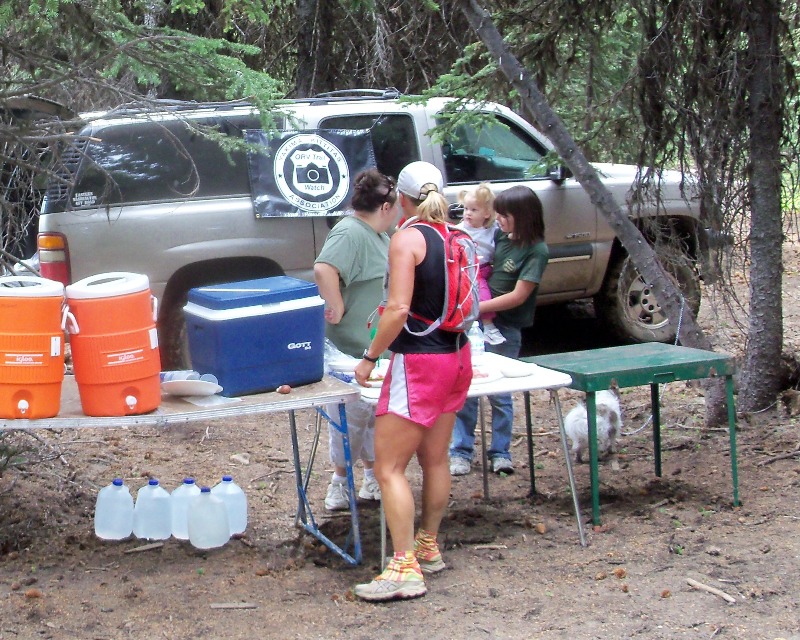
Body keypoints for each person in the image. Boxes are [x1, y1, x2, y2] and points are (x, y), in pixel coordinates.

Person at [352, 161, 473, 602]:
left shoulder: (407, 238)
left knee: (388, 467)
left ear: (401, 199)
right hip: (458, 355)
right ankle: (428, 545)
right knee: (435, 459)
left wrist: (369, 357)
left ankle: (404, 567)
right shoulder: (457, 235)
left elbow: (398, 309)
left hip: (421, 363)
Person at [449, 185, 549, 476]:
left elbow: (519, 295)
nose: (499, 219)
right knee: (467, 386)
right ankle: (461, 450)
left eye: (504, 215)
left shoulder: (536, 250)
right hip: (477, 325)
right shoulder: (501, 237)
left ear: (522, 216)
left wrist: (476, 308)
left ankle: (501, 452)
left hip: (507, 327)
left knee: (501, 393)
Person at [314, 169, 398, 510]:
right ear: (387, 206)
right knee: (348, 419)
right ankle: (339, 482)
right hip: (347, 348)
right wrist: (334, 304)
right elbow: (324, 269)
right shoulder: (349, 232)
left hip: (374, 345)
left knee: (374, 417)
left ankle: (371, 478)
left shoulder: (381, 235)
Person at [456, 183, 505, 345]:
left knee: (483, 295)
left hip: (481, 270)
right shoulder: (459, 229)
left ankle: (489, 327)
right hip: (463, 269)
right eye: (465, 209)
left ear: (487, 213)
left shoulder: (493, 229)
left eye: (473, 210)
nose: (467, 213)